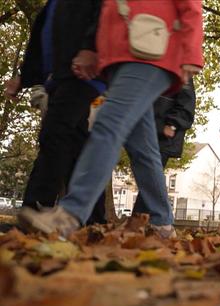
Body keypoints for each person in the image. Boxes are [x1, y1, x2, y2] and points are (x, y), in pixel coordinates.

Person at [18, 0, 204, 238]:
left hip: (153, 50)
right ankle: (162, 222)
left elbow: (190, 5)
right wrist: (97, 50)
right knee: (143, 148)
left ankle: (69, 215)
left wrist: (191, 52)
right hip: (123, 56)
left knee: (108, 126)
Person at [3, 0, 107, 224]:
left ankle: (37, 208)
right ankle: (94, 220)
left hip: (84, 75)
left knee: (54, 132)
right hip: (60, 77)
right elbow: (42, 39)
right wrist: (24, 78)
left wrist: (90, 47)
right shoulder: (53, 5)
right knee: (77, 147)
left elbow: (102, 12)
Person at [132, 79, 196, 215]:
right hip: (145, 130)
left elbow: (186, 104)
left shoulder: (180, 69)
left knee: (150, 180)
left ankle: (145, 221)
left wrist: (172, 125)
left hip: (164, 135)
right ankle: (146, 221)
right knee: (148, 180)